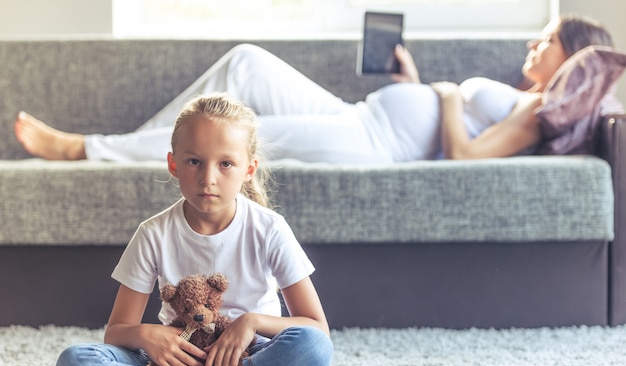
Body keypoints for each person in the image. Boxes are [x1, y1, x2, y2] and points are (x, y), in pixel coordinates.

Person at [54, 93, 333, 366]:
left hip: (245, 359)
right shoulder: (153, 233)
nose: (208, 178)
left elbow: (317, 328)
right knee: (74, 364)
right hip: (174, 359)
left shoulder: (269, 228)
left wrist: (251, 322)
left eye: (225, 164)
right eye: (194, 161)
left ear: (248, 169)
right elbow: (116, 331)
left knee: (313, 349)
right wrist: (146, 335)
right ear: (173, 164)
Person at [14, 14, 616, 163]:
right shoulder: (520, 96)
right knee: (246, 63)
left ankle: (87, 149)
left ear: (575, 51)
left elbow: (464, 155)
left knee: (235, 140)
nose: (533, 49)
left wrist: (448, 94)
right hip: (361, 115)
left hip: (371, 146)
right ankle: (132, 145)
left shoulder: (540, 109)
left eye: (547, 41)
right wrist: (415, 85)